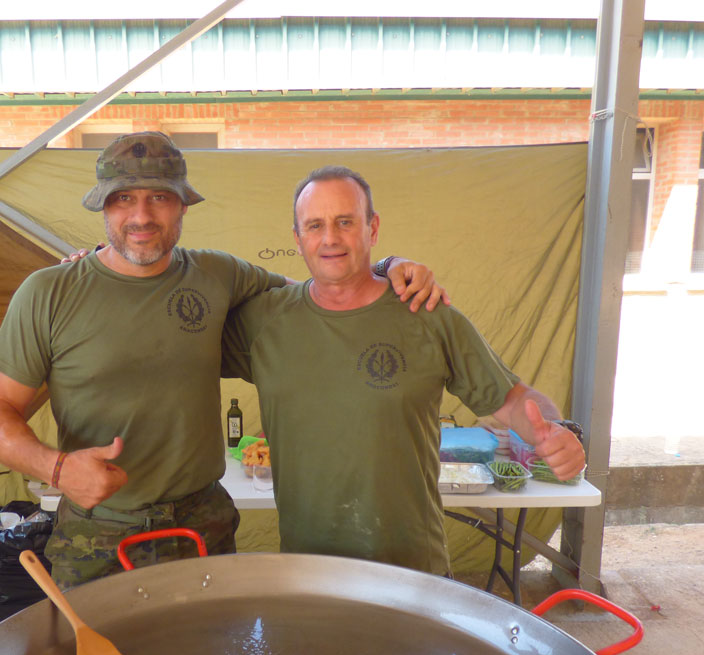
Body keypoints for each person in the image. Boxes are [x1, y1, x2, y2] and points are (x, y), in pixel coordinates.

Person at [0, 133, 444, 588]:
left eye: (160, 197)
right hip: (97, 535)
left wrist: (385, 267)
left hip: (203, 529)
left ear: (183, 205)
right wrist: (57, 469)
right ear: (104, 206)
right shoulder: (49, 292)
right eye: (123, 199)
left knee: (212, 648)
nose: (141, 216)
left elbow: (322, 295)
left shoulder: (218, 274)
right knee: (97, 648)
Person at [220, 165, 586, 576]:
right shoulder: (264, 322)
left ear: (372, 228)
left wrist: (554, 431)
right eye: (315, 225)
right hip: (310, 572)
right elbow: (180, 349)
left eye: (345, 222)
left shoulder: (426, 314)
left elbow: (516, 400)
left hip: (413, 571)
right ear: (297, 238)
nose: (330, 238)